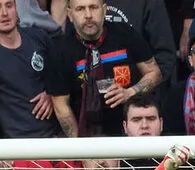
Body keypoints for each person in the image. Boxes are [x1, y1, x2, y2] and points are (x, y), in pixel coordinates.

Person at [46, 0, 160, 137]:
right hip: (86, 134)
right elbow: (61, 107)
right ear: (70, 14)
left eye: (93, 7)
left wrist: (130, 92)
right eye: (80, 9)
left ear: (104, 10)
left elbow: (154, 72)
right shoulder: (60, 52)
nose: (88, 15)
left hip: (130, 132)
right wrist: (81, 146)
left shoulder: (125, 34)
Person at [0, 0, 58, 140]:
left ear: (16, 9)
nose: (4, 13)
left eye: (9, 5)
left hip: (56, 135)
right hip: (17, 142)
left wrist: (51, 92)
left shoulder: (39, 38)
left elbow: (60, 76)